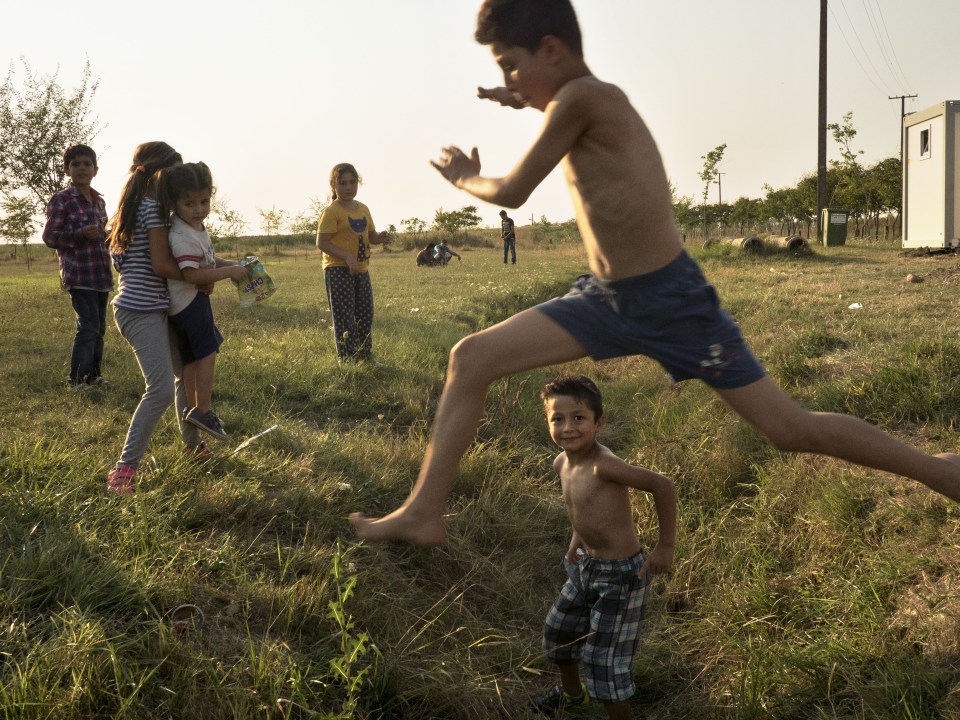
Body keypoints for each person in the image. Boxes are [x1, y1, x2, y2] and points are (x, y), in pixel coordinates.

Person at [350, 0, 960, 546]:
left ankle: (940, 470)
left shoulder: (583, 99)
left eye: (512, 64)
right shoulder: (574, 101)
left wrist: (461, 178)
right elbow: (547, 103)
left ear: (552, 50)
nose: (508, 80)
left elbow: (511, 190)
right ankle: (424, 513)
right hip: (605, 299)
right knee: (471, 356)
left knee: (787, 427)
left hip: (672, 302)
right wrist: (521, 94)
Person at [533, 375, 676, 719]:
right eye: (558, 418)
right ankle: (572, 697)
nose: (568, 427)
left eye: (578, 418)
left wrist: (665, 547)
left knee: (604, 663)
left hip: (622, 576)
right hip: (585, 568)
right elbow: (582, 508)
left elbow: (662, 485)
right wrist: (576, 539)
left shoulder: (604, 464)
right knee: (558, 633)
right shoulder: (561, 463)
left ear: (599, 423)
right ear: (548, 422)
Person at [105, 142, 211, 494]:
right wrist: (199, 276)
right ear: (160, 176)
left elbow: (125, 263)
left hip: (152, 306)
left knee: (184, 376)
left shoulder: (132, 208)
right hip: (141, 310)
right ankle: (125, 469)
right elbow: (163, 266)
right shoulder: (151, 209)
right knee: (162, 389)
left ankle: (193, 448)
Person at [158, 162, 249, 441]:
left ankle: (193, 408)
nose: (198, 209)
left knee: (189, 361)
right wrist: (229, 273)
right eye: (190, 203)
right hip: (189, 303)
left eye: (204, 201)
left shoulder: (193, 227)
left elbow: (206, 261)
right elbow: (192, 274)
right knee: (207, 352)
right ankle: (203, 410)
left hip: (184, 304)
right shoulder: (182, 235)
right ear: (174, 203)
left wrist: (233, 264)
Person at [42, 144, 113, 389]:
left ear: (96, 169)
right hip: (79, 274)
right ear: (66, 170)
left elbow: (104, 236)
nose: (81, 168)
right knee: (88, 326)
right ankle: (78, 380)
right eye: (75, 164)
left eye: (87, 164)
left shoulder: (99, 202)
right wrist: (80, 234)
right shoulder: (61, 200)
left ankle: (94, 376)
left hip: (101, 274)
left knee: (100, 328)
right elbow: (50, 237)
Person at [315, 163, 391, 363]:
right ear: (333, 186)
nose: (348, 187)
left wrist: (380, 237)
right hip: (337, 270)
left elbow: (370, 235)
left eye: (352, 182)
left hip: (361, 269)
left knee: (365, 313)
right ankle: (347, 359)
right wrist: (347, 257)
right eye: (342, 183)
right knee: (344, 316)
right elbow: (322, 242)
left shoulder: (363, 209)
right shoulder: (332, 212)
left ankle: (365, 356)